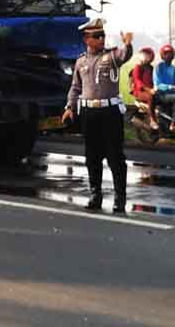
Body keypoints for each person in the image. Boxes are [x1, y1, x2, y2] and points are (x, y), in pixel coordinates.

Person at [61, 18, 134, 213]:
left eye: (102, 35)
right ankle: (95, 194)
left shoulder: (111, 57)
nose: (101, 39)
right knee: (92, 155)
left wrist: (127, 43)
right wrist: (69, 107)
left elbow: (124, 55)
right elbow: (75, 87)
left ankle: (120, 197)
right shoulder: (81, 61)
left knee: (115, 156)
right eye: (96, 36)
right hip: (89, 113)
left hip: (109, 112)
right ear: (87, 39)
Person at [153, 44, 175, 132]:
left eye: (170, 53)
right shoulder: (159, 67)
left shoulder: (172, 68)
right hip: (161, 93)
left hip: (170, 93)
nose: (168, 55)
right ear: (162, 55)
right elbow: (158, 84)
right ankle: (174, 123)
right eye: (166, 53)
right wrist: (172, 86)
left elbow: (174, 81)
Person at [129, 47, 158, 129]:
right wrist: (149, 90)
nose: (145, 57)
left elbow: (155, 79)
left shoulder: (151, 68)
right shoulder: (138, 67)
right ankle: (152, 120)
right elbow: (138, 81)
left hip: (150, 90)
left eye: (147, 55)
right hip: (139, 92)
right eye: (144, 55)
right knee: (150, 97)